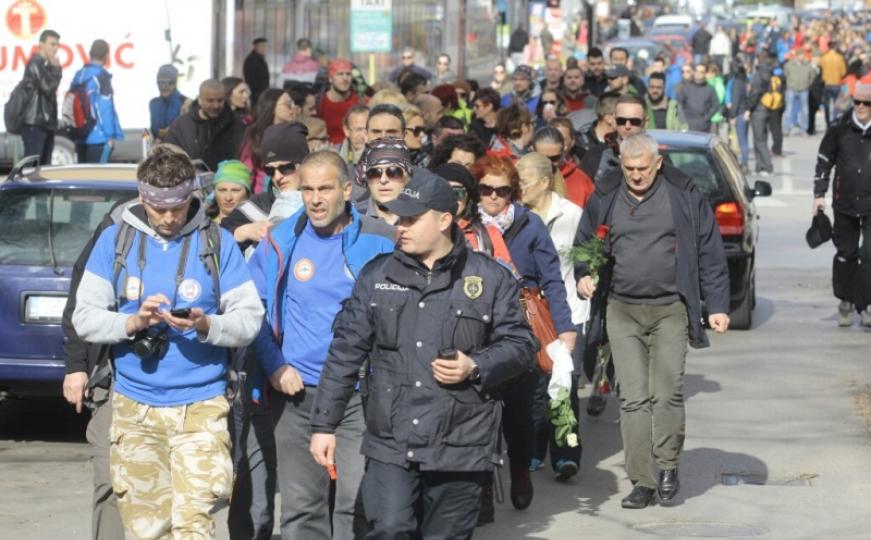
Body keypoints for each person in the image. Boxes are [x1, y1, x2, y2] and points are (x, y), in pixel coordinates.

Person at [309, 171, 537, 539]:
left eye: (413, 218)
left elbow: (522, 345)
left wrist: (475, 366)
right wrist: (323, 425)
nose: (401, 226)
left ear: (445, 220)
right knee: (389, 529)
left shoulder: (490, 278)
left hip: (460, 442)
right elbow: (345, 352)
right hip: (392, 439)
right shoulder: (376, 276)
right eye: (399, 218)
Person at [71, 146, 265, 538]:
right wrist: (132, 322)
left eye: (179, 206)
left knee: (194, 527)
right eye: (160, 208)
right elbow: (85, 318)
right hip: (134, 410)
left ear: (192, 195)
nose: (170, 217)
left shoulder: (218, 243)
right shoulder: (115, 240)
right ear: (143, 198)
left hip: (201, 408)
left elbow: (250, 320)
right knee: (147, 531)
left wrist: (207, 325)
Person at [576, 133, 729, 509]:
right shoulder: (607, 194)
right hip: (622, 309)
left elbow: (710, 249)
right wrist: (584, 272)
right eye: (629, 169)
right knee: (632, 400)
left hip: (670, 309)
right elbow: (584, 241)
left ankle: (667, 466)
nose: (636, 175)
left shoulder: (683, 194)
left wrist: (718, 305)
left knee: (667, 393)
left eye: (643, 168)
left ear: (658, 162)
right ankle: (642, 480)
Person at [248, 150, 395, 540]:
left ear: (347, 190)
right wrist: (274, 364)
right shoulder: (280, 241)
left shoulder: (380, 242)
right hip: (297, 396)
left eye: (325, 189)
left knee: (357, 505)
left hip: (359, 396)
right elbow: (251, 309)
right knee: (301, 510)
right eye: (307, 189)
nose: (315, 199)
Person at [472, 155, 577, 512]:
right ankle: (483, 484)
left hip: (519, 328)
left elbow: (553, 280)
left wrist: (564, 328)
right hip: (475, 330)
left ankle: (520, 470)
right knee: (477, 410)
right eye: (485, 189)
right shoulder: (466, 227)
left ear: (513, 193)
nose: (493, 197)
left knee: (519, 412)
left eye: (501, 191)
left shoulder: (530, 226)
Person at [515, 151, 586, 480]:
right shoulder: (514, 219)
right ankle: (532, 447)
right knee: (532, 386)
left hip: (567, 311)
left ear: (544, 182)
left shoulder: (572, 215)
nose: (519, 189)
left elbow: (586, 261)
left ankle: (566, 453)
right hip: (529, 314)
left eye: (523, 182)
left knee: (563, 385)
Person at [812, 83, 871, 327]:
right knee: (846, 254)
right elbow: (824, 160)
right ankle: (845, 301)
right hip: (844, 202)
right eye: (857, 102)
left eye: (866, 103)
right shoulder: (839, 127)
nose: (860, 107)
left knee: (869, 255)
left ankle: (865, 305)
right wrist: (819, 194)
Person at [164, 79, 246, 172]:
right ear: (200, 99)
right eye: (210, 101)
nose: (216, 105)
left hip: (226, 183)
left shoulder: (236, 124)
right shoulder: (181, 126)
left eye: (220, 100)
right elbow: (168, 157)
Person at [68, 39, 123, 163]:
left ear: (90, 53)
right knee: (97, 178)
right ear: (106, 56)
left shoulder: (79, 74)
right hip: (99, 137)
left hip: (80, 134)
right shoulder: (102, 77)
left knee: (83, 177)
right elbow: (105, 107)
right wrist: (109, 135)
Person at [240, 89, 297, 193]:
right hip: (262, 199)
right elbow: (246, 172)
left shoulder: (296, 134)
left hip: (290, 196)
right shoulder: (255, 136)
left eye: (293, 103)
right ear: (272, 106)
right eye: (288, 104)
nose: (293, 108)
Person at [19, 29, 62, 165]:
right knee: (32, 168)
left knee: (44, 168)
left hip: (44, 124)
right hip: (35, 124)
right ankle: (27, 188)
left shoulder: (45, 65)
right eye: (52, 44)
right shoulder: (35, 63)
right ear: (41, 44)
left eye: (57, 45)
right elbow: (48, 88)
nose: (55, 48)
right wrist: (56, 69)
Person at [581, 95, 647, 182]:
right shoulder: (595, 156)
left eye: (634, 121)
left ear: (645, 123)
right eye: (621, 121)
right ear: (614, 121)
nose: (627, 126)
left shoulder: (657, 158)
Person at [354, 138, 413, 225]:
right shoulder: (350, 218)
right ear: (367, 179)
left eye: (393, 171)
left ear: (408, 177)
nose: (383, 180)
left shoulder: (423, 217)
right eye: (374, 173)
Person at [533, 127, 594, 208]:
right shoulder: (525, 180)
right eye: (543, 158)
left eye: (554, 158)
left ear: (564, 151)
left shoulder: (581, 181)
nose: (548, 164)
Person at [319, 59, 361, 145]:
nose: (345, 78)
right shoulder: (319, 103)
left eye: (348, 74)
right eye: (340, 74)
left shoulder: (361, 101)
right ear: (330, 78)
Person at [749, 54, 776, 176]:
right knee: (763, 138)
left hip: (758, 109)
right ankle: (759, 167)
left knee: (758, 140)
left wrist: (748, 108)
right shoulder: (770, 73)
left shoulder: (758, 75)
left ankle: (768, 166)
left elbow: (754, 94)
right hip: (767, 108)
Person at [149, 65, 188, 142]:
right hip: (159, 150)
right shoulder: (153, 104)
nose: (163, 87)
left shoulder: (185, 103)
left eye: (168, 83)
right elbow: (154, 130)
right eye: (159, 83)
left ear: (175, 83)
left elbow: (185, 132)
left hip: (181, 150)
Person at [575, 91, 619, 160]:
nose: (627, 121)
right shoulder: (580, 144)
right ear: (609, 118)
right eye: (622, 116)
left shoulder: (623, 142)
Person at [676, 64, 719, 133]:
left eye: (701, 72)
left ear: (705, 74)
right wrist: (684, 120)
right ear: (694, 72)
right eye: (697, 71)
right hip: (687, 126)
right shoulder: (686, 88)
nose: (698, 74)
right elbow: (679, 105)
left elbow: (715, 106)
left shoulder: (710, 89)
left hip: (704, 127)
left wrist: (705, 118)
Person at [783, 51, 817, 136]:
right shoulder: (789, 65)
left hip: (803, 89)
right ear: (797, 56)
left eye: (803, 55)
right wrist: (790, 83)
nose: (801, 57)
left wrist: (807, 84)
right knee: (789, 109)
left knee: (805, 110)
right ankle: (787, 129)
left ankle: (804, 129)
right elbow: (785, 74)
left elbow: (813, 75)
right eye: (800, 55)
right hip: (791, 88)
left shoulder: (808, 66)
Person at [728, 64, 752, 172]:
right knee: (744, 140)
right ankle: (745, 163)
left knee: (741, 141)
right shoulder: (746, 82)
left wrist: (732, 115)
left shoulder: (737, 83)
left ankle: (744, 164)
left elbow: (735, 100)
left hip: (739, 113)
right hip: (745, 112)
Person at [820, 43, 847, 125]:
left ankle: (827, 122)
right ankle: (835, 122)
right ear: (835, 47)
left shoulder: (824, 57)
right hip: (836, 83)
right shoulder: (839, 58)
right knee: (837, 105)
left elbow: (820, 68)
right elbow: (843, 72)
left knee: (826, 104)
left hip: (826, 83)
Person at [244, 38, 270, 106]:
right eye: (262, 46)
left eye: (266, 46)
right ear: (255, 47)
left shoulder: (261, 59)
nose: (264, 48)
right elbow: (250, 80)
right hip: (256, 96)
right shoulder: (252, 60)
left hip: (261, 95)